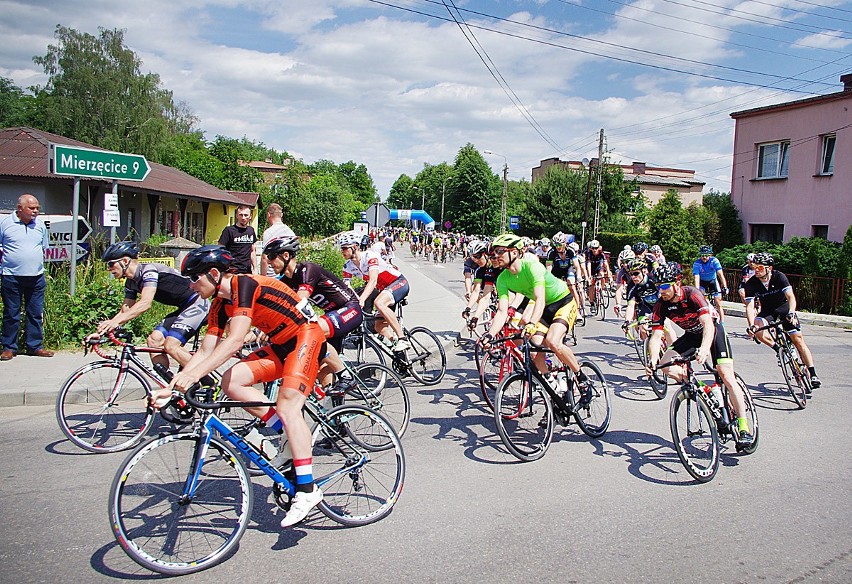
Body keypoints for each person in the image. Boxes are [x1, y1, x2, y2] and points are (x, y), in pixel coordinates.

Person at [152, 244, 326, 528]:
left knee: (288, 405)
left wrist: (192, 378)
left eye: (194, 278)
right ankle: (286, 434)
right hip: (282, 344)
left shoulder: (243, 284)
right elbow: (205, 352)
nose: (191, 286)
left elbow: (234, 340)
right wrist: (173, 386)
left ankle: (308, 490)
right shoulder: (219, 305)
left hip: (306, 337)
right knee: (230, 381)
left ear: (212, 273)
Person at [645, 262, 753, 445]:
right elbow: (656, 336)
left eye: (664, 286)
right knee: (666, 366)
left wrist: (704, 349)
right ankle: (705, 389)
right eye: (657, 287)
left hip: (713, 332)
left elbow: (708, 325)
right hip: (691, 335)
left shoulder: (692, 294)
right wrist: (653, 361)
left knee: (726, 375)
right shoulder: (661, 304)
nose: (660, 291)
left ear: (677, 283)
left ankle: (744, 428)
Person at [482, 234, 589, 401]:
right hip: (544, 309)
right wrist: (489, 335)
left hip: (563, 302)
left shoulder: (532, 267)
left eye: (500, 251)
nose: (495, 256)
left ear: (515, 252)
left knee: (553, 341)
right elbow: (502, 312)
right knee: (534, 348)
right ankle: (554, 390)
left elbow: (540, 298)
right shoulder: (502, 278)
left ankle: (582, 379)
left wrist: (531, 323)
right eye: (493, 253)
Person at [92, 242, 211, 373]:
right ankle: (167, 382)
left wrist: (115, 322)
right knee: (154, 340)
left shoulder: (149, 271)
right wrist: (101, 332)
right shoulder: (131, 282)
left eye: (111, 264)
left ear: (125, 261)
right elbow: (125, 311)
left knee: (171, 346)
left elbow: (145, 303)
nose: (109, 269)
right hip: (184, 307)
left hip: (198, 303)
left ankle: (208, 381)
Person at [265, 236, 362, 393]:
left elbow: (300, 300)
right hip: (332, 315)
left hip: (350, 309)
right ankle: (335, 409)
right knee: (322, 370)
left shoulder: (308, 270)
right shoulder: (285, 282)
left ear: (285, 255)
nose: (269, 262)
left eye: (271, 256)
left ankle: (346, 376)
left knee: (312, 332)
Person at [743, 252, 821, 389]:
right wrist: (751, 326)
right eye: (754, 267)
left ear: (769, 268)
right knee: (758, 331)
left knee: (798, 340)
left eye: (760, 267)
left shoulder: (779, 277)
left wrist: (791, 313)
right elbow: (749, 306)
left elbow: (791, 297)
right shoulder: (751, 283)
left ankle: (813, 373)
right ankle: (779, 349)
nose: (756, 270)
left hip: (784, 308)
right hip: (768, 311)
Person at [0, 194, 52, 360]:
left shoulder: (40, 225)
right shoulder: (5, 224)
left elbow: (44, 247)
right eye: (32, 208)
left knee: (35, 313)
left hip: (36, 277)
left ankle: (35, 346)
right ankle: (9, 348)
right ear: (20, 208)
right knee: (11, 313)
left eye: (37, 208)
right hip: (11, 276)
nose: (36, 211)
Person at [338, 231, 411, 351]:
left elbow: (373, 281)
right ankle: (397, 347)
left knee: (379, 303)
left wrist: (361, 300)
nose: (343, 251)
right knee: (379, 327)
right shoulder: (348, 266)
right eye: (342, 248)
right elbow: (347, 287)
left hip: (398, 283)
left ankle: (403, 339)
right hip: (385, 291)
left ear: (355, 247)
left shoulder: (369, 256)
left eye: (345, 248)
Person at [692, 245, 729, 322]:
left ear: (710, 255)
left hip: (712, 281)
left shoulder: (714, 261)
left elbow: (720, 274)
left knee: (718, 303)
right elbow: (696, 278)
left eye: (706, 255)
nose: (704, 257)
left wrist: (725, 287)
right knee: (701, 299)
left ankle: (722, 323)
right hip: (702, 282)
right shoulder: (697, 263)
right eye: (702, 255)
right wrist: (697, 290)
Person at [218, 204, 257, 274]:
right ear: (237, 215)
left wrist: (255, 268)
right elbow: (220, 249)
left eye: (246, 215)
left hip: (247, 270)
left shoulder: (251, 230)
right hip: (232, 270)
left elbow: (252, 251)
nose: (243, 218)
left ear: (250, 216)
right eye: (240, 215)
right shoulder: (229, 230)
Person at [260, 203, 296, 276]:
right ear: (281, 215)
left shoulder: (269, 232)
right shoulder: (290, 232)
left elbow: (264, 258)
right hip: (286, 274)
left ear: (268, 215)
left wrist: (263, 277)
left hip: (272, 275)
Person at [585, 239, 612, 308]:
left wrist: (608, 272)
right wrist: (589, 275)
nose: (594, 250)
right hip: (591, 269)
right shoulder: (589, 254)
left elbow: (605, 263)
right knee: (592, 286)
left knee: (602, 275)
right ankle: (592, 303)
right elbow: (589, 265)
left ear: (598, 248)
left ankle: (602, 289)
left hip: (598, 268)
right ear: (591, 248)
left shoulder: (601, 253)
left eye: (596, 248)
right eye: (593, 248)